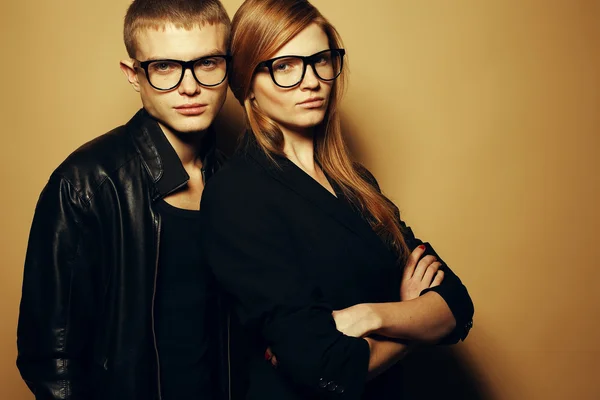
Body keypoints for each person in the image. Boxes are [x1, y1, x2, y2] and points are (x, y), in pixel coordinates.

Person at [199, 0, 474, 399]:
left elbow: (456, 305)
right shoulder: (237, 196)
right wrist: (413, 319)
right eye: (285, 66)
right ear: (248, 84)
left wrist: (369, 315)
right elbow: (327, 366)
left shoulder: (356, 183)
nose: (311, 81)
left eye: (321, 59)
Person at [16, 1, 231, 399]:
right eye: (165, 66)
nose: (190, 86)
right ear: (133, 74)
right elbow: (49, 358)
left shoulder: (236, 180)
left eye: (208, 62)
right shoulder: (84, 184)